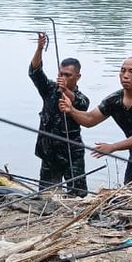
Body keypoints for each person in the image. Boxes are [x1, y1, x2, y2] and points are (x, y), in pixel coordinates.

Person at [60, 56, 132, 192]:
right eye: (123, 71)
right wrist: (71, 110)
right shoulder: (114, 100)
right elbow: (90, 120)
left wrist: (113, 147)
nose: (125, 75)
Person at [28, 33, 89, 196]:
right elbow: (35, 72)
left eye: (68, 75)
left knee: (78, 195)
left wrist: (66, 91)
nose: (63, 77)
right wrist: (40, 48)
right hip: (49, 152)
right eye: (61, 74)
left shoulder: (81, 98)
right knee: (47, 195)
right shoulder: (49, 90)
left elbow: (81, 104)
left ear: (78, 77)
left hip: (71, 153)